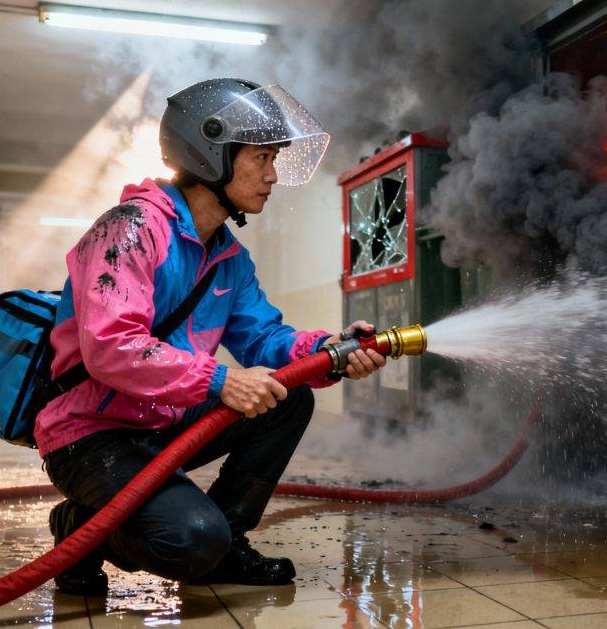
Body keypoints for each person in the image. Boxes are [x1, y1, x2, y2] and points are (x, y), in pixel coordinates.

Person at [34, 78, 387, 596]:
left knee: (287, 398)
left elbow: (264, 338)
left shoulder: (228, 258)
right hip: (90, 434)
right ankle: (79, 528)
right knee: (191, 541)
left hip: (160, 420)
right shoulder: (129, 230)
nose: (272, 175)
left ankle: (229, 542)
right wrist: (221, 381)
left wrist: (328, 351)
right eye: (262, 158)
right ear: (211, 153)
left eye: (274, 160)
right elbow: (112, 347)